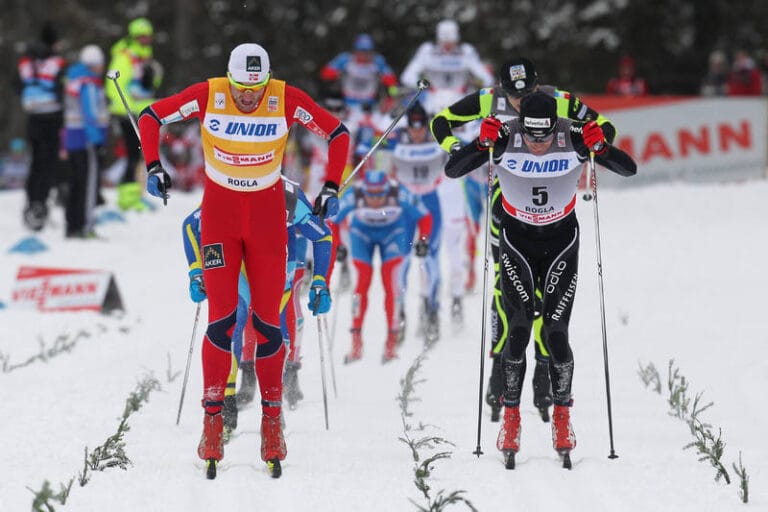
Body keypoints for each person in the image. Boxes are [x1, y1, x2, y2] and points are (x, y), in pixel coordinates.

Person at [137, 43, 349, 479]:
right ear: (229, 78)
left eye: (255, 89)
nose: (248, 98)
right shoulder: (209, 93)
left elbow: (338, 133)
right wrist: (153, 165)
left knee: (269, 322)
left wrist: (331, 185)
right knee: (222, 319)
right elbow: (150, 116)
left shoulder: (286, 98)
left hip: (268, 216)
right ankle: (212, 419)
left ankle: (272, 423)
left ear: (267, 79)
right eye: (241, 89)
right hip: (220, 215)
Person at [445, 91, 637, 468]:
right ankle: (511, 419)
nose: (536, 145)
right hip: (516, 241)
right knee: (517, 331)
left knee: (555, 333)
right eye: (530, 137)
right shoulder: (504, 135)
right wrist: (478, 143)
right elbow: (453, 170)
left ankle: (563, 418)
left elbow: (628, 169)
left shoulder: (575, 136)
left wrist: (603, 147)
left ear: (555, 126)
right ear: (521, 126)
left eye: (544, 137)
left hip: (561, 241)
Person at [430, 56, 618, 423]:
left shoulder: (556, 100)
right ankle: (499, 374)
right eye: (512, 96)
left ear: (537, 86)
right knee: (509, 292)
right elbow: (441, 122)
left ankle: (543, 375)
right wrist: (459, 148)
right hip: (507, 205)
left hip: (553, 204)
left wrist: (598, 142)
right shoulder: (487, 100)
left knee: (550, 300)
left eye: (527, 93)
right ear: (502, 89)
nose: (519, 103)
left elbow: (605, 126)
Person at [182, 178, 333, 433]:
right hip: (236, 262)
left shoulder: (288, 193)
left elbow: (322, 234)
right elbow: (191, 224)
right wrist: (197, 271)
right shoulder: (225, 183)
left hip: (278, 263)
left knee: (272, 324)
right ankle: (226, 403)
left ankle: (274, 402)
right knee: (234, 320)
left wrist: (320, 280)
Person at [401, 19, 495, 326]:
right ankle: (427, 303)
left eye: (451, 43)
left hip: (455, 174)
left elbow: (485, 75)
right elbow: (408, 74)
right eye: (445, 43)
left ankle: (456, 293)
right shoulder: (428, 51)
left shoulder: (466, 53)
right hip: (435, 111)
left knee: (458, 235)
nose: (448, 48)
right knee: (427, 244)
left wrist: (482, 90)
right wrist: (423, 91)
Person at [332, 169, 432, 363]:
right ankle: (356, 344)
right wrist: (338, 245)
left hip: (392, 234)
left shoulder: (399, 192)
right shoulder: (355, 193)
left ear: (387, 190)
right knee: (362, 283)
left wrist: (423, 240)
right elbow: (333, 220)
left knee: (391, 284)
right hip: (362, 235)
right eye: (371, 195)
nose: (375, 200)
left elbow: (424, 216)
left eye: (380, 195)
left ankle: (391, 345)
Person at [390, 101, 447, 345]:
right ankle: (400, 311)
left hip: (430, 202)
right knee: (401, 259)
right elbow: (371, 147)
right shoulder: (397, 141)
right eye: (412, 126)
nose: (416, 131)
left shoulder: (437, 142)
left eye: (420, 126)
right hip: (404, 205)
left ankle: (431, 309)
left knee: (430, 257)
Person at [106, 17, 163, 212]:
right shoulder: (124, 56)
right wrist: (128, 109)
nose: (145, 41)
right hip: (127, 113)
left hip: (143, 111)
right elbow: (114, 86)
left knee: (139, 155)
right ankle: (127, 198)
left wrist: (154, 76)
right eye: (141, 37)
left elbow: (147, 87)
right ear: (133, 37)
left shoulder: (145, 58)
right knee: (132, 154)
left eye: (148, 37)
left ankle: (134, 194)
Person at [16, 23, 67, 231]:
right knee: (48, 164)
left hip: (32, 117)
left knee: (36, 163)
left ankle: (31, 203)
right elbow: (61, 88)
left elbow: (16, 84)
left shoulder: (27, 61)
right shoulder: (56, 62)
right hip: (52, 116)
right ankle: (41, 206)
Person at [62, 45, 110, 239]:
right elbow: (90, 113)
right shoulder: (89, 83)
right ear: (96, 65)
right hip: (86, 140)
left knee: (75, 182)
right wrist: (97, 138)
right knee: (88, 184)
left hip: (73, 138)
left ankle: (72, 225)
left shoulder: (73, 79)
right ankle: (85, 226)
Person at [320, 33, 399, 112]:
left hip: (369, 105)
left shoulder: (378, 61)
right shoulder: (345, 59)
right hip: (346, 103)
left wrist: (392, 96)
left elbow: (391, 82)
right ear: (355, 50)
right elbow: (326, 73)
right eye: (361, 51)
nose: (364, 55)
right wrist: (336, 74)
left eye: (368, 52)